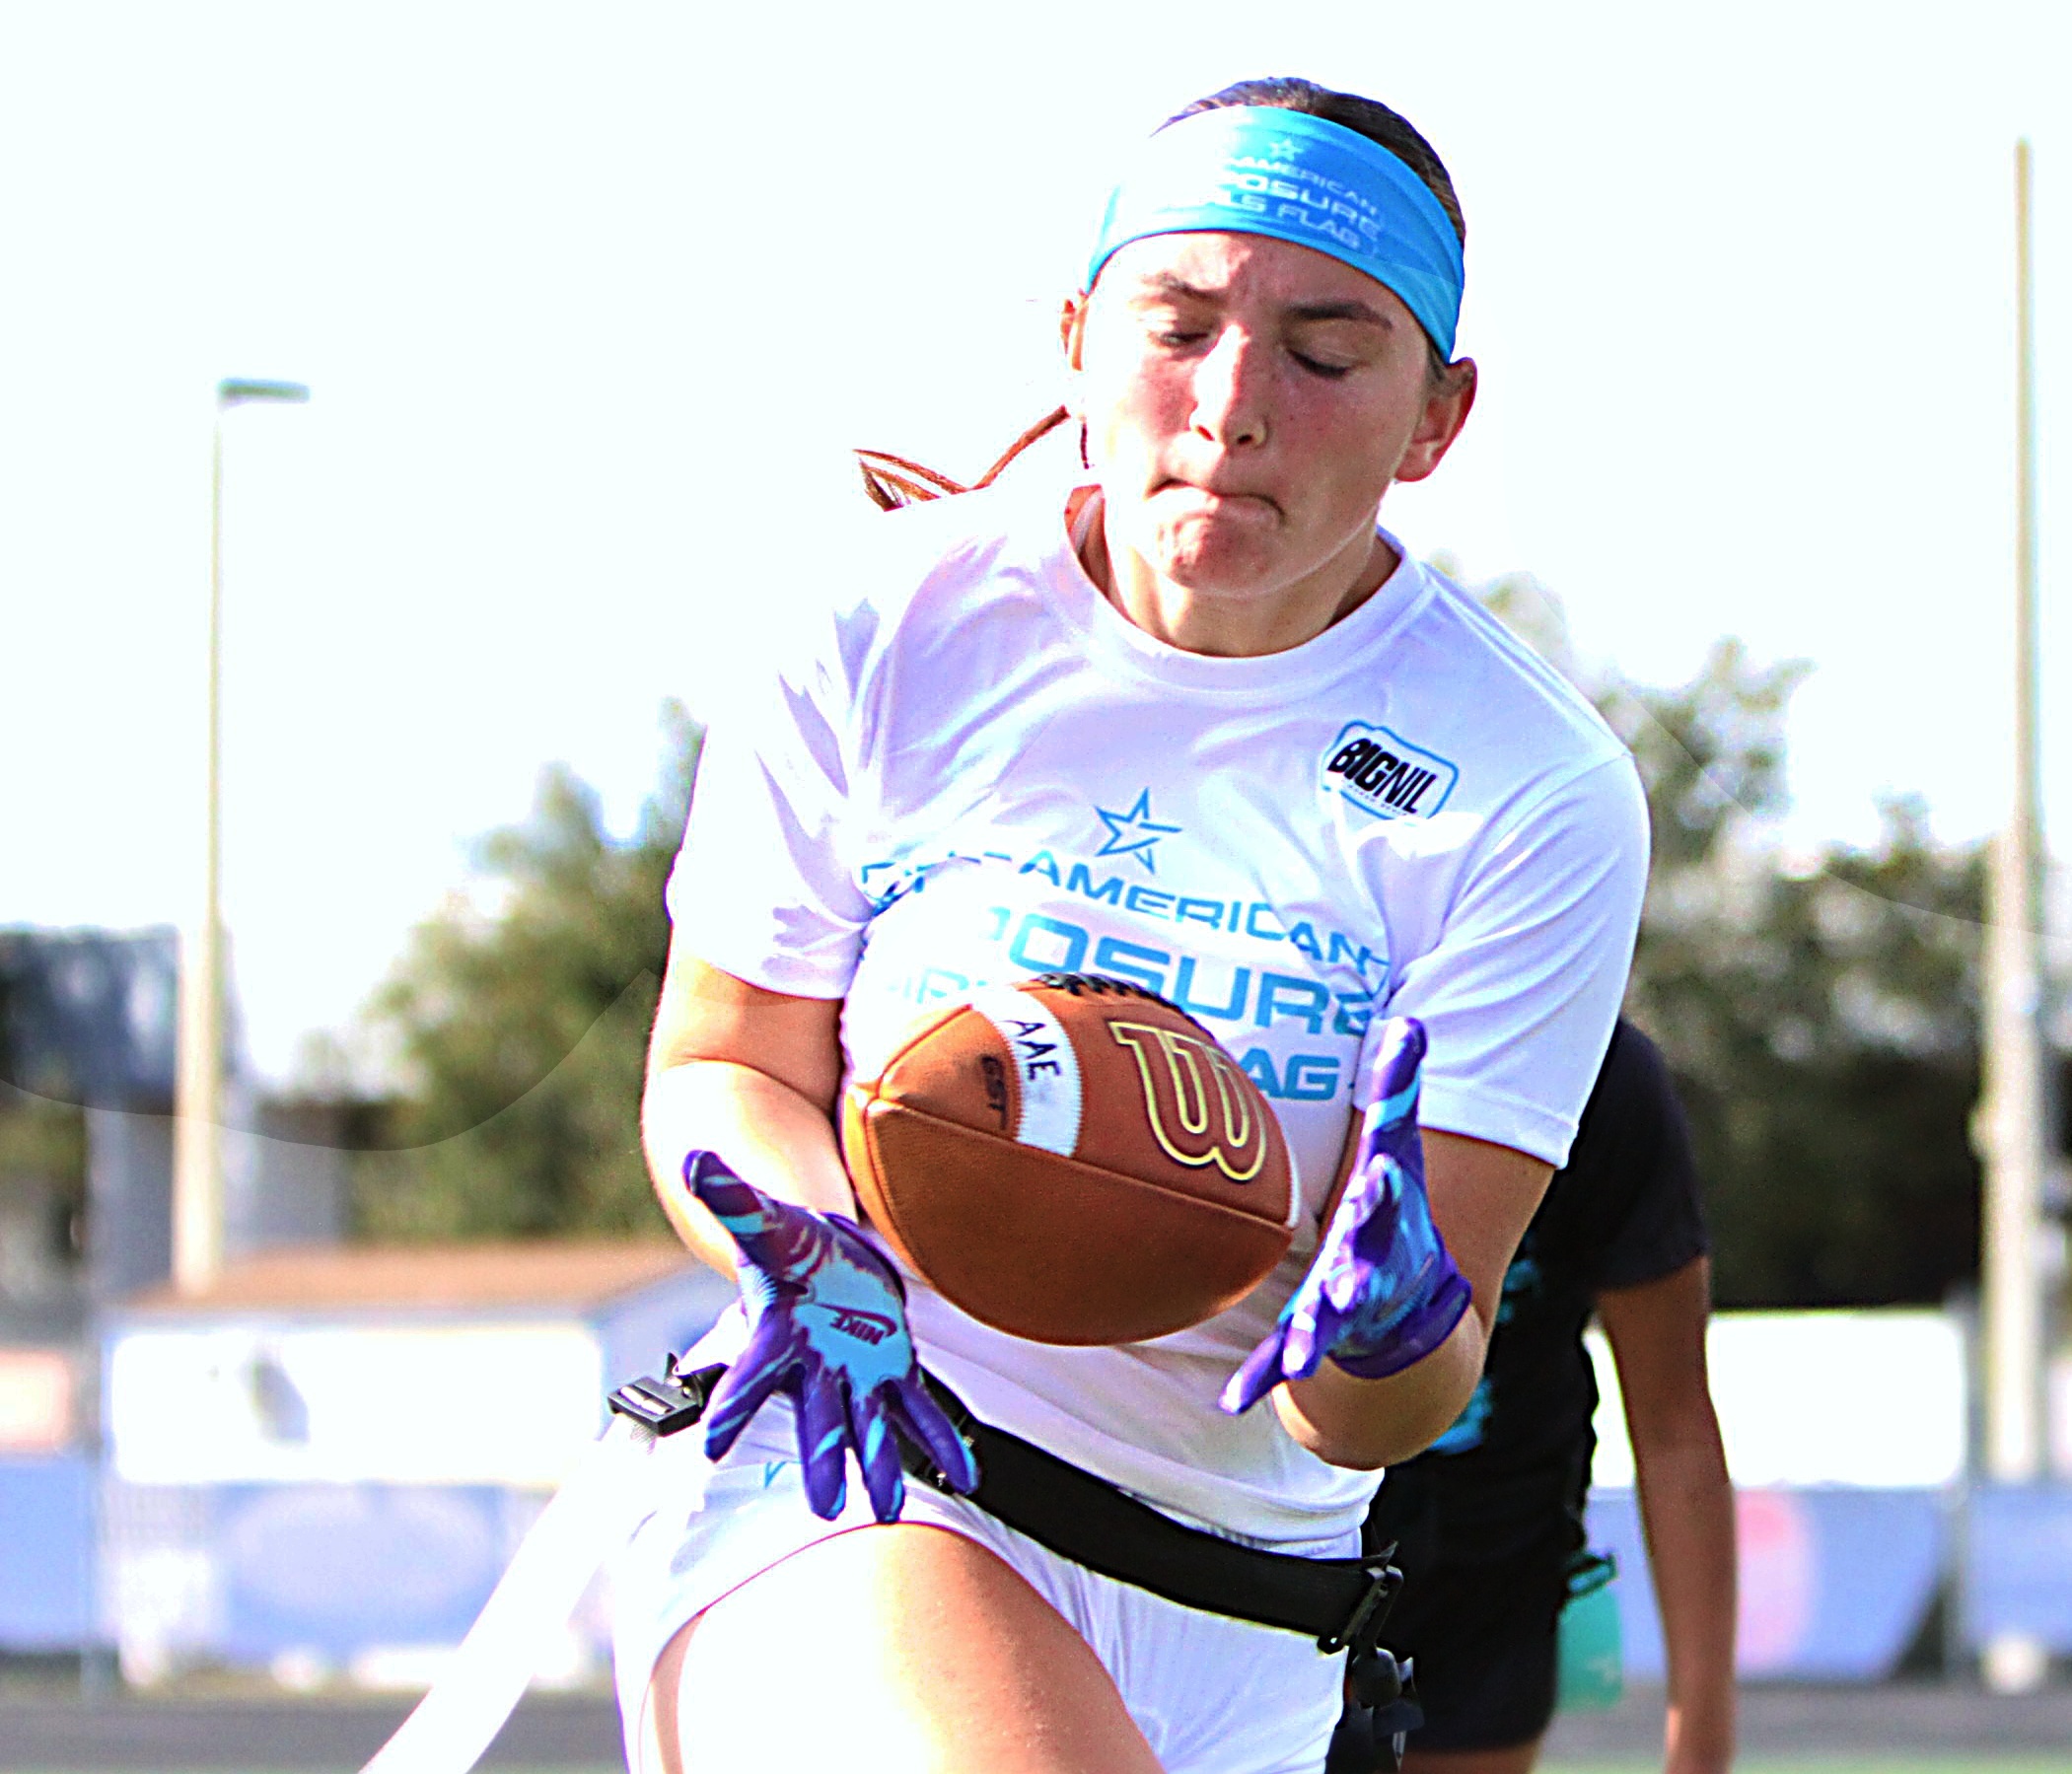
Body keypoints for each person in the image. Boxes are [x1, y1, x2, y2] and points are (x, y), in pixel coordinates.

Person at [615, 76, 1650, 1774]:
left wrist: (1387, 1331)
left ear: (1435, 417)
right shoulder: (893, 627)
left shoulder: (1532, 784)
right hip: (865, 1481)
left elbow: (1384, 1407)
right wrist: (812, 1254)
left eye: (1325, 353)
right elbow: (726, 1057)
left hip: (1252, 1615)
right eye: (1176, 327)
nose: (1233, 403)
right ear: (1077, 339)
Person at [1339, 1019, 1735, 1774]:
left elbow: (1675, 1422)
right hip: (1267, 1536)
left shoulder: (1602, 1073)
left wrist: (1702, 1747)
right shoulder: (1302, 1034)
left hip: (1487, 1566)